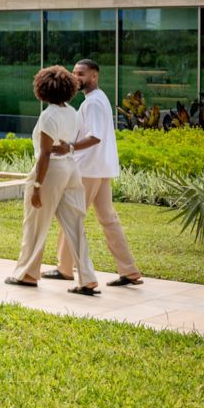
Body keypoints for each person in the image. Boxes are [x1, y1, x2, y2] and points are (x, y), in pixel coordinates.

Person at [44, 59, 144, 287]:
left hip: (88, 170)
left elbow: (95, 136)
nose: (76, 77)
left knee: (71, 216)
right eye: (74, 73)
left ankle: (65, 269)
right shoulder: (98, 99)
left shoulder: (93, 103)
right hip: (100, 169)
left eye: (81, 74)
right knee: (108, 219)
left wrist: (69, 147)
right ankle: (129, 270)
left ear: (94, 76)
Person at [5, 65, 100, 297]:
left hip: (52, 172)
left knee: (35, 224)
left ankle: (27, 274)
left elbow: (45, 154)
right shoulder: (71, 111)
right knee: (75, 226)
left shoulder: (48, 116)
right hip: (70, 169)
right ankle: (88, 279)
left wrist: (37, 186)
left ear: (42, 88)